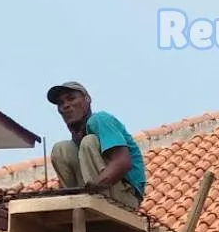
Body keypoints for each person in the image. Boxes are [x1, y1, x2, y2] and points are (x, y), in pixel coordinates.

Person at [46, 82, 146, 210]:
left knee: (89, 141)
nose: (66, 105)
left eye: (71, 98)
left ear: (87, 99)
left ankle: (94, 200)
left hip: (125, 196)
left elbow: (123, 162)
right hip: (91, 193)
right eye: (61, 103)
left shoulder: (100, 120)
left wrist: (94, 188)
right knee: (61, 149)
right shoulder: (76, 140)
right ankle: (73, 206)